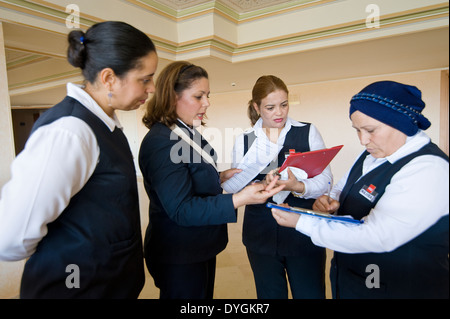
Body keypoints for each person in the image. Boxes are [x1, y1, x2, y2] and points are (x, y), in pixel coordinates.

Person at [0, 21, 158, 298]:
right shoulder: (69, 132)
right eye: (145, 78)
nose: (152, 88)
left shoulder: (106, 124)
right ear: (109, 78)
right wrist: (65, 250)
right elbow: (12, 237)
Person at [271, 80, 449, 299]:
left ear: (401, 124)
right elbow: (341, 187)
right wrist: (331, 199)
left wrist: (301, 221)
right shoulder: (371, 154)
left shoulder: (429, 168)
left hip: (400, 286)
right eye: (357, 130)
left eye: (370, 130)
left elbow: (378, 235)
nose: (363, 140)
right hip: (358, 279)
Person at [138, 61, 284, 299]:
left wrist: (217, 176)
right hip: (180, 252)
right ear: (171, 97)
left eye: (207, 95)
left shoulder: (186, 131)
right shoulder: (162, 142)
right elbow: (182, 208)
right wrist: (238, 199)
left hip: (199, 245)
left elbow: (185, 176)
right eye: (199, 96)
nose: (207, 103)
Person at [228, 75, 333, 299]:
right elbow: (236, 186)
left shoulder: (308, 131)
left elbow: (325, 180)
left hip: (303, 231)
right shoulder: (244, 140)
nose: (279, 113)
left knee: (310, 293)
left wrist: (299, 186)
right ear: (256, 107)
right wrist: (258, 185)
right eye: (270, 107)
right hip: (261, 233)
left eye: (284, 105)